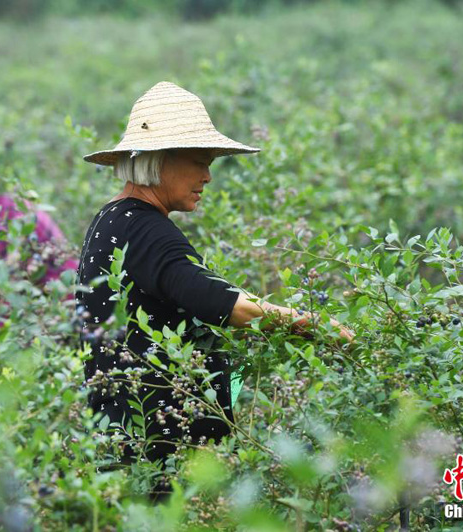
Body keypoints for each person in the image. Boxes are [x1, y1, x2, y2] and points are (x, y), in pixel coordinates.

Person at [76, 82, 353, 482]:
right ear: (160, 159)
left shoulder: (111, 218)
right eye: (199, 162)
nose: (207, 176)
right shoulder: (148, 231)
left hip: (123, 436)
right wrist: (313, 325)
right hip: (166, 449)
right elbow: (224, 305)